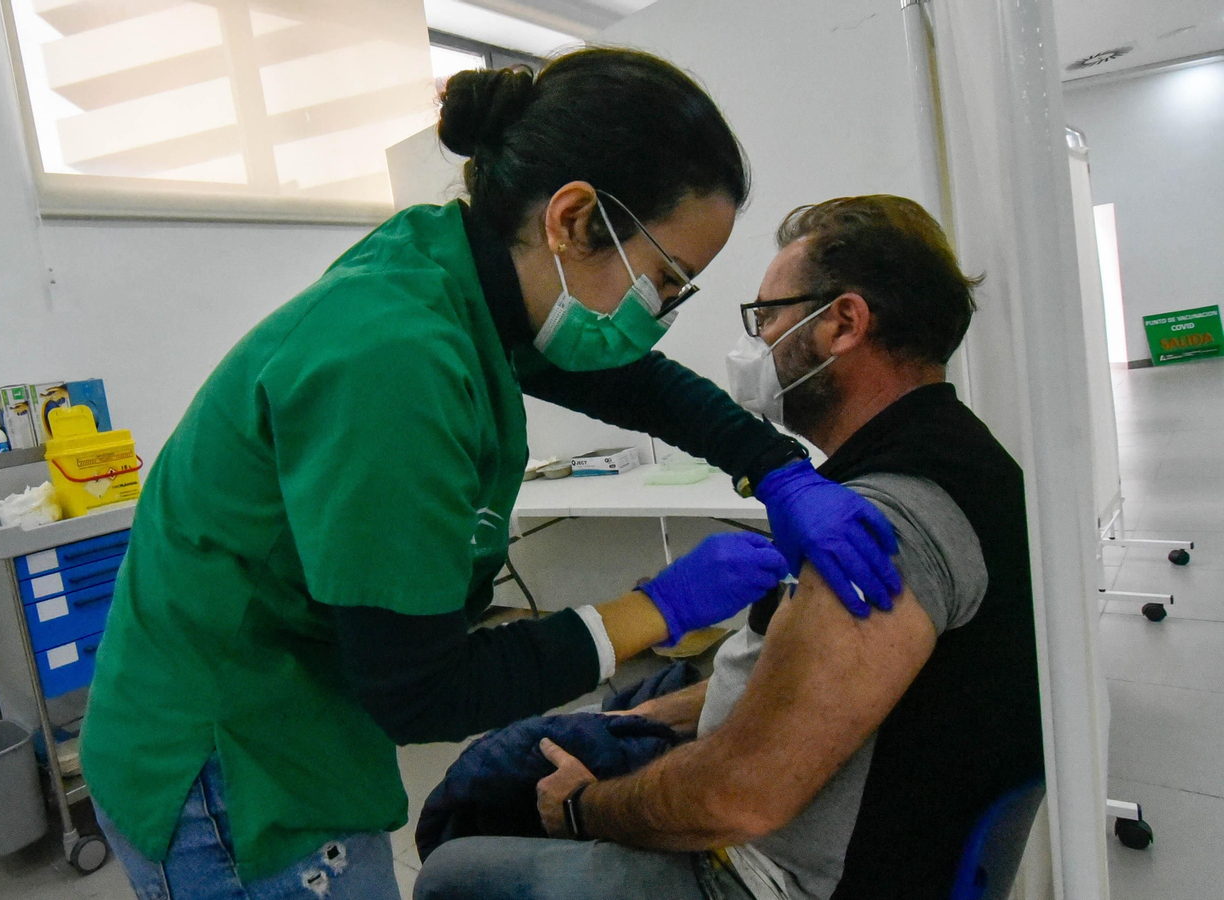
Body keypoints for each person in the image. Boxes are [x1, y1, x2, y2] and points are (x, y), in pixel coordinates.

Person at [80, 50, 904, 900]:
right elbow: (420, 690)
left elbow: (628, 380)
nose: (659, 314)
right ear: (573, 218)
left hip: (289, 698)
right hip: (222, 757)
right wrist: (655, 609)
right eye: (665, 280)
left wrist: (776, 470)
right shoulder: (394, 357)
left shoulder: (459, 272)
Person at [414, 195, 1045, 900]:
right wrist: (649, 717)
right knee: (542, 749)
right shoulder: (962, 460)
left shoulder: (878, 530)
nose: (755, 342)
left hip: (760, 876)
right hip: (808, 805)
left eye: (766, 316)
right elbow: (801, 691)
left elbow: (738, 797)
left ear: (843, 323)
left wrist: (583, 809)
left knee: (452, 867)